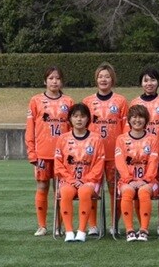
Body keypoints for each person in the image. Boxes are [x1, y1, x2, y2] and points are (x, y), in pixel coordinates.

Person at [25, 66, 75, 236]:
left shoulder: (68, 102)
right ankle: (42, 225)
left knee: (61, 190)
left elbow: (74, 129)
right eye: (51, 78)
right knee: (42, 186)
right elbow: (30, 129)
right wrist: (32, 152)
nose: (54, 81)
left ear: (62, 81)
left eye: (58, 78)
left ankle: (58, 226)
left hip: (63, 155)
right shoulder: (35, 101)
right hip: (43, 154)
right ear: (45, 81)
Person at [82, 62, 128, 236]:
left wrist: (124, 151)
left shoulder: (121, 101)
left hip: (114, 155)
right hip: (92, 156)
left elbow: (126, 129)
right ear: (96, 79)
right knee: (91, 189)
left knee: (115, 191)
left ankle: (114, 224)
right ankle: (93, 225)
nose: (103, 79)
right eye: (100, 76)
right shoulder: (87, 101)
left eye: (107, 76)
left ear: (112, 79)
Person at [129, 67, 159, 234]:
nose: (149, 83)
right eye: (146, 80)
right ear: (141, 83)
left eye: (153, 80)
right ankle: (143, 225)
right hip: (139, 155)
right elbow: (129, 130)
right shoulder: (135, 103)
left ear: (158, 82)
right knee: (138, 188)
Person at [54, 103, 105, 242]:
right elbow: (58, 164)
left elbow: (99, 164)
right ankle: (69, 232)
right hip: (68, 181)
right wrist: (71, 180)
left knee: (84, 192)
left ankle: (81, 231)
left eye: (82, 116)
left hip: (90, 181)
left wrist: (85, 180)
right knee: (65, 192)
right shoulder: (63, 139)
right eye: (75, 116)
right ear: (70, 119)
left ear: (88, 118)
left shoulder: (96, 139)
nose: (79, 119)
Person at [115, 105, 159, 242]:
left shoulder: (153, 139)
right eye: (134, 117)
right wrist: (129, 180)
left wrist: (145, 180)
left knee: (144, 191)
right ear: (129, 120)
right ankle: (129, 230)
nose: (137, 120)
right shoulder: (121, 139)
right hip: (127, 181)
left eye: (140, 117)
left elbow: (153, 162)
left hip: (149, 181)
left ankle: (144, 230)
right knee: (127, 191)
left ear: (146, 120)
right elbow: (120, 162)